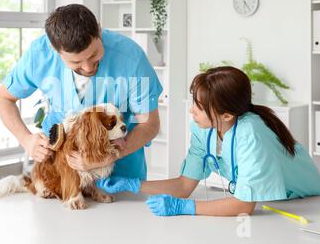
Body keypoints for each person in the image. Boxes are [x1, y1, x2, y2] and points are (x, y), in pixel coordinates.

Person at [97, 66, 320, 216]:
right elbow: (184, 185)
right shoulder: (203, 128)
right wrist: (134, 185)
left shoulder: (251, 132)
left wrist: (186, 208)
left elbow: (243, 205)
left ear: (226, 115)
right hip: (271, 204)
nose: (191, 111)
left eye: (199, 107)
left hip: (307, 204)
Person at [0, 4, 162, 180]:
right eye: (76, 63)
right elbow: (3, 99)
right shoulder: (39, 55)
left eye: (94, 54)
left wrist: (108, 156)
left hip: (120, 173)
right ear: (54, 50)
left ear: (99, 30)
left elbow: (149, 124)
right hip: (62, 173)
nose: (88, 67)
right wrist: (26, 140)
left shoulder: (131, 58)